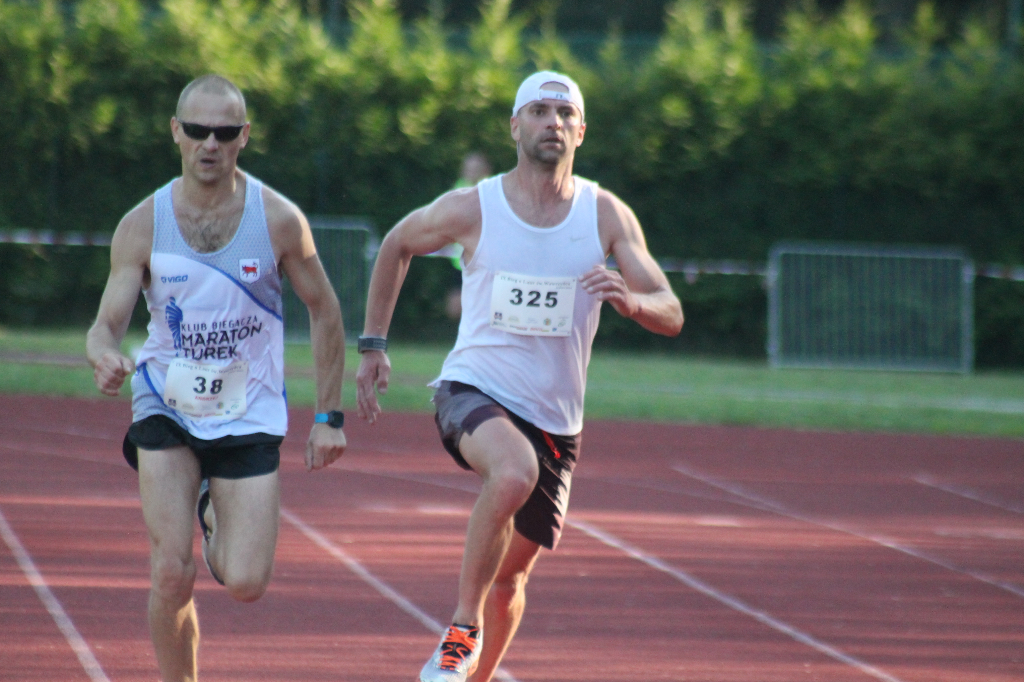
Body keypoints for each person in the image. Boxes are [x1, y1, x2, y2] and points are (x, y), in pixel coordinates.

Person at [355, 70, 683, 682]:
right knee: (512, 471)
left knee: (510, 581)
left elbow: (671, 310)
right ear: (514, 126)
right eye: (538, 111)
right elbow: (397, 243)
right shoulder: (475, 206)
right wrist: (373, 344)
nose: (552, 122)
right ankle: (461, 630)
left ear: (581, 132)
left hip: (556, 418)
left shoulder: (605, 215)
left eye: (565, 113)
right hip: (473, 388)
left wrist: (634, 302)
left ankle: (474, 673)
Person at [86, 74, 347, 682]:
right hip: (166, 402)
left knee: (247, 582)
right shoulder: (143, 224)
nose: (210, 143)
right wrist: (104, 355)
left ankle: (210, 509)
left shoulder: (277, 220)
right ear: (176, 132)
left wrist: (329, 417)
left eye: (224, 132)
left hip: (247, 409)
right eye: (198, 130)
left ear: (244, 137)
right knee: (171, 570)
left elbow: (326, 311)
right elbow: (105, 325)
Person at [445, 152, 492, 320]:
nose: (471, 172)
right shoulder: (457, 190)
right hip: (459, 261)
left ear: (485, 170)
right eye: (468, 169)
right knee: (454, 308)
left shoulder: (491, 191)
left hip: (483, 260)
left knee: (482, 304)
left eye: (476, 169)